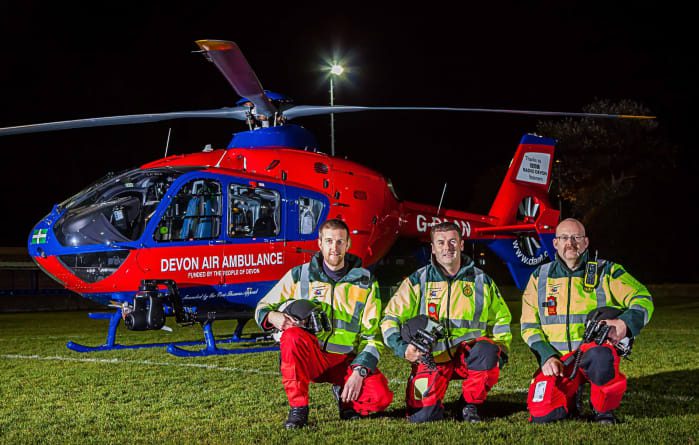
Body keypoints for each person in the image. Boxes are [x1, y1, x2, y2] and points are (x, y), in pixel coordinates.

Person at [254, 219, 393, 429]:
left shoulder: (365, 282)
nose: (334, 248)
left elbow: (372, 336)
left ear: (348, 244)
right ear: (319, 243)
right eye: (329, 241)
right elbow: (261, 307)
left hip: (344, 360)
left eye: (339, 242)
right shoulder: (299, 275)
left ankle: (344, 397)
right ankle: (298, 410)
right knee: (291, 336)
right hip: (311, 356)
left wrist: (360, 371)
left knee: (380, 397)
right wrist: (274, 316)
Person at [520, 218, 654, 424]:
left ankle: (604, 411)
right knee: (543, 414)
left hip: (594, 354)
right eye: (564, 237)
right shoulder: (539, 277)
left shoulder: (607, 271)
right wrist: (547, 356)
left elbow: (643, 298)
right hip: (560, 361)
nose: (570, 243)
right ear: (555, 243)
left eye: (576, 237)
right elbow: (529, 325)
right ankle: (571, 400)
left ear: (586, 242)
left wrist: (624, 323)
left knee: (601, 356)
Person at [381, 222, 512, 423]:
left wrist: (500, 350)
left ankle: (469, 405)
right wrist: (402, 348)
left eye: (452, 241)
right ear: (432, 248)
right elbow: (390, 317)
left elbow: (501, 319)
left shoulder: (481, 281)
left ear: (461, 245)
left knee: (487, 351)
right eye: (440, 242)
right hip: (431, 359)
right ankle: (424, 397)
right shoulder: (418, 280)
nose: (447, 247)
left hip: (467, 357)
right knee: (423, 417)